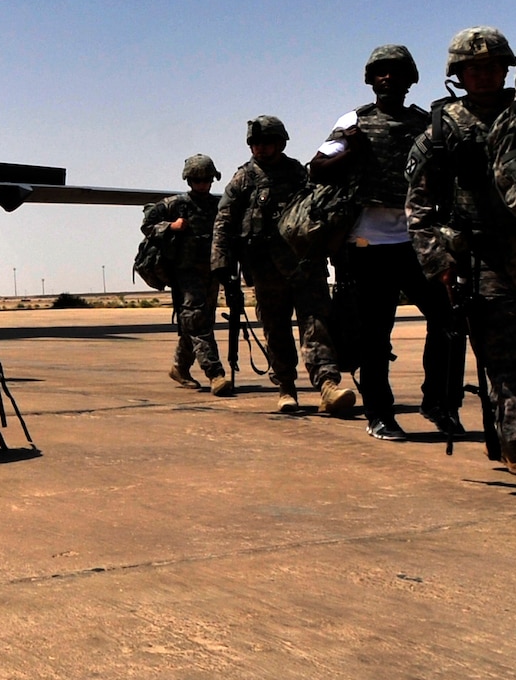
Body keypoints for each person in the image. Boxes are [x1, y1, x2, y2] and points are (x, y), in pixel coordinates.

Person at [406, 29, 516, 504]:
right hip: (480, 258)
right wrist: (438, 261)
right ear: (458, 74)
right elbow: (417, 208)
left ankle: (507, 436)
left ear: (506, 69)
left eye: (493, 66)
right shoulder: (441, 131)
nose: (483, 74)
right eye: (472, 68)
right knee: (508, 356)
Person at [310, 45, 462, 442]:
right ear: (369, 79)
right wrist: (353, 153)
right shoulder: (354, 121)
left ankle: (439, 402)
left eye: (397, 72)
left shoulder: (427, 123)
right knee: (375, 335)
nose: (388, 78)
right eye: (380, 72)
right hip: (367, 244)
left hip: (418, 239)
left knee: (448, 321)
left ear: (411, 79)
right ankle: (380, 414)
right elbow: (318, 168)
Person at [213, 118, 350, 415]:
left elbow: (320, 209)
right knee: (276, 329)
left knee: (317, 323)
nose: (261, 149)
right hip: (265, 269)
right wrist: (220, 262)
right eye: (256, 143)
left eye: (267, 142)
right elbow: (223, 221)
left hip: (304, 263)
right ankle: (286, 387)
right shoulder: (243, 179)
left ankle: (327, 384)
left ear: (281, 143)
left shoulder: (299, 173)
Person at [144, 155, 233, 396]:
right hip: (185, 274)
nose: (201, 184)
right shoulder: (175, 205)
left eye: (205, 180)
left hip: (212, 273)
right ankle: (215, 374)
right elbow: (148, 224)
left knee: (195, 324)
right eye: (196, 180)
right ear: (188, 180)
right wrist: (170, 226)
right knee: (198, 323)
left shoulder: (218, 206)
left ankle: (180, 367)